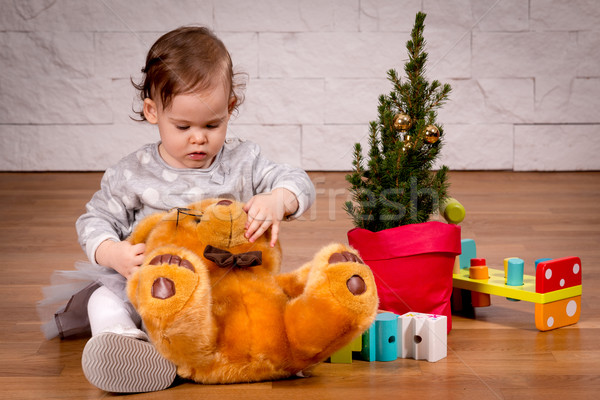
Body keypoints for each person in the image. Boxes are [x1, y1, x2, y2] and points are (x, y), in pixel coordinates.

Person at [74, 26, 315, 393]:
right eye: (182, 126)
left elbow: (297, 180)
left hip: (225, 289)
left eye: (212, 124)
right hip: (157, 288)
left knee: (268, 303)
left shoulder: (243, 162)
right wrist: (113, 252)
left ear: (231, 108)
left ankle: (270, 345)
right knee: (103, 297)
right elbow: (95, 219)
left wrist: (278, 199)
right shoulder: (132, 173)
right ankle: (123, 341)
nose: (198, 137)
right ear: (153, 112)